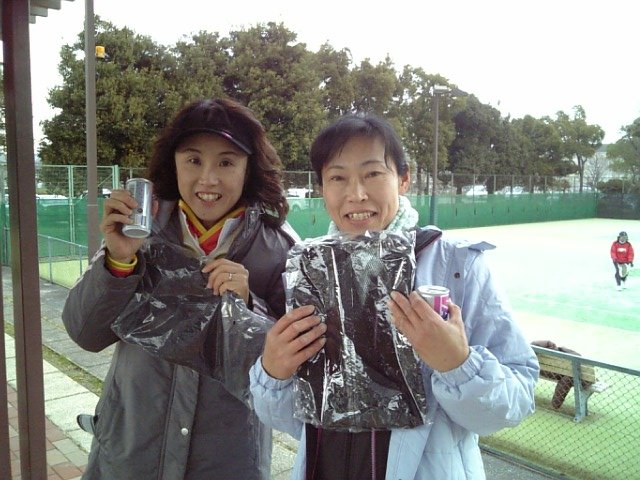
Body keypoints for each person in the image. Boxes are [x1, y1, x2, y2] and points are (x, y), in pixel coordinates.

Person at [249, 113, 539, 479]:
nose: (356, 194)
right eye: (337, 177)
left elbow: (514, 403)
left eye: (372, 173)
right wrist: (273, 373)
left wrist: (457, 365)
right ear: (321, 188)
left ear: (403, 179)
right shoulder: (310, 267)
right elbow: (295, 422)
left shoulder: (456, 265)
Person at [62, 97, 297, 480]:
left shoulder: (278, 249)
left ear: (248, 168)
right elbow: (84, 333)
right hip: (130, 452)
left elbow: (292, 370)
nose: (208, 179)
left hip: (228, 461)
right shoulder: (140, 231)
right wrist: (118, 261)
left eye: (226, 162)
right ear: (173, 163)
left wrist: (248, 307)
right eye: (193, 160)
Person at [530, 340, 592, 409]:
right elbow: (579, 359)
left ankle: (555, 405)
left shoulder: (534, 355)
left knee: (568, 377)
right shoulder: (564, 352)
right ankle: (555, 405)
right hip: (577, 375)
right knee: (569, 377)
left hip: (548, 371)